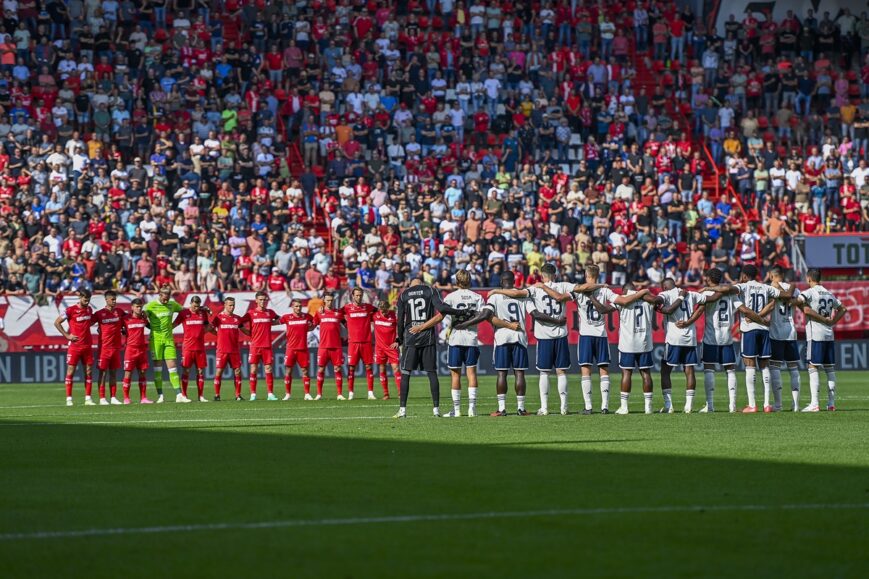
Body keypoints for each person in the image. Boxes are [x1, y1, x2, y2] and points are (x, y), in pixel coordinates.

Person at [490, 263, 572, 416]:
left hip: (516, 337)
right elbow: (534, 313)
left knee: (506, 373)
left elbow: (489, 314)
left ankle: (506, 409)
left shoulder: (530, 290)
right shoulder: (562, 286)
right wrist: (558, 320)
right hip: (529, 335)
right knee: (555, 372)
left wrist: (495, 291)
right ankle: (556, 407)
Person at [707, 264, 791, 412]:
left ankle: (752, 405)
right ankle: (766, 404)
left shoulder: (743, 286)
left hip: (749, 329)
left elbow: (725, 289)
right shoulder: (766, 287)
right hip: (764, 329)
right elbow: (786, 296)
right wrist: (779, 286)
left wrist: (706, 289)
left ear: (745, 276)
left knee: (750, 365)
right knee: (764, 366)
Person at [540, 264, 615, 414]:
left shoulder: (578, 292)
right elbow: (614, 304)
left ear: (586, 275)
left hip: (586, 335)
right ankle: (605, 406)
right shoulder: (605, 290)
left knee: (586, 371)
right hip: (601, 335)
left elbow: (560, 297)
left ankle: (588, 407)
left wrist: (542, 286)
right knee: (604, 370)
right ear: (598, 275)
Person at [692, 268, 767, 412]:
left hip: (710, 337)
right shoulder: (731, 294)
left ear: (708, 279)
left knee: (709, 370)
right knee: (730, 370)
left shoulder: (707, 293)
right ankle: (732, 406)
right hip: (726, 337)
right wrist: (761, 320)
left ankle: (710, 406)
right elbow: (744, 310)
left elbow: (699, 311)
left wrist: (689, 321)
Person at [456, 270, 529, 416]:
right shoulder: (521, 295)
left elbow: (485, 315)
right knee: (519, 373)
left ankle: (502, 409)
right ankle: (521, 408)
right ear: (513, 281)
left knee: (502, 373)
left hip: (502, 338)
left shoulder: (495, 296)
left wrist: (465, 324)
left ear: (501, 282)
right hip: (519, 336)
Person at [393, 278, 468, 418]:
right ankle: (436, 410)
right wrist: (459, 312)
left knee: (406, 373)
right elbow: (442, 308)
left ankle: (402, 410)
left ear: (410, 285)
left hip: (410, 337)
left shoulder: (403, 294)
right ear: (421, 283)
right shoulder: (429, 290)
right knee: (431, 373)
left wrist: (400, 338)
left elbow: (400, 320)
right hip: (427, 337)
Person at [586, 283, 661, 415]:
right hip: (644, 343)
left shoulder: (622, 301)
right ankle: (648, 407)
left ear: (625, 291)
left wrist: (591, 298)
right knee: (646, 374)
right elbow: (659, 301)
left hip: (627, 344)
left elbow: (603, 310)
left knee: (626, 374)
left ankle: (624, 407)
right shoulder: (647, 300)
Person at [797, 269, 848, 412]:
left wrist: (797, 303)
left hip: (816, 335)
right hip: (829, 335)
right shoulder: (828, 293)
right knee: (830, 369)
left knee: (813, 367)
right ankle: (831, 404)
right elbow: (843, 309)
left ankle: (814, 404)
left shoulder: (809, 292)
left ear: (808, 279)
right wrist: (832, 322)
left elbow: (801, 304)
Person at [657, 278, 708, 413]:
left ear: (665, 286)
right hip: (690, 338)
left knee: (665, 370)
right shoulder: (691, 294)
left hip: (674, 338)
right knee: (689, 370)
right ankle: (688, 406)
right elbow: (705, 302)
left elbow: (659, 302)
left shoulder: (666, 294)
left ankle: (669, 406)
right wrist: (691, 320)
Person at [441, 269, 486, 417]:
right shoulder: (477, 297)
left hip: (456, 338)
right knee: (471, 373)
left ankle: (458, 410)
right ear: (470, 280)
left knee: (455, 375)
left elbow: (446, 320)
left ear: (456, 281)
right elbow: (481, 315)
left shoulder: (450, 297)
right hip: (471, 337)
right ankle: (472, 409)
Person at [762, 266, 802, 412]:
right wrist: (792, 301)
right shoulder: (791, 288)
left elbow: (767, 307)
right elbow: (800, 300)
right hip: (790, 331)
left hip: (776, 332)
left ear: (771, 276)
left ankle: (778, 405)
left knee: (775, 367)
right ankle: (796, 405)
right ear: (782, 275)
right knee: (793, 368)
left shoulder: (769, 289)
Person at [143, 284, 187, 403]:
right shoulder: (151, 305)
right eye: (164, 298)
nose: (166, 300)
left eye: (168, 298)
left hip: (169, 340)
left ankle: (179, 395)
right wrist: (149, 325)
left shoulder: (172, 304)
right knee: (158, 369)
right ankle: (160, 396)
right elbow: (141, 315)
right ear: (159, 295)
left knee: (173, 368)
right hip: (156, 341)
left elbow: (185, 311)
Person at [55, 289, 95, 406]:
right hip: (75, 346)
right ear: (80, 297)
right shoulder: (70, 310)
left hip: (87, 345)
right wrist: (67, 335)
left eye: (88, 300)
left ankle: (88, 398)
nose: (87, 302)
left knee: (88, 371)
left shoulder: (89, 309)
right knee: (71, 371)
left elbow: (88, 322)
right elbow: (57, 322)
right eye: (85, 299)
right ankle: (69, 399)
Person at [173, 295, 212, 403]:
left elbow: (207, 326)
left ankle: (201, 396)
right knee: (186, 370)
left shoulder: (202, 313)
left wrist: (202, 333)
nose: (196, 308)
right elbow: (174, 325)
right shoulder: (184, 314)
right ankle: (184, 396)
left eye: (198, 306)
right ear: (191, 303)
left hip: (200, 347)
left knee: (200, 371)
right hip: (188, 347)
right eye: (194, 306)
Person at [210, 297, 250, 401]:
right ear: (225, 305)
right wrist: (218, 335)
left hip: (234, 350)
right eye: (230, 305)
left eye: (233, 305)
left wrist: (254, 334)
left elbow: (244, 330)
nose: (232, 307)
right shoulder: (218, 318)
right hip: (222, 350)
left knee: (237, 371)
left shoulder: (237, 318)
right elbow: (210, 328)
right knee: (219, 371)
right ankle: (217, 395)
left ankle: (238, 395)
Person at [341, 287, 378, 400]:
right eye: (356, 295)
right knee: (351, 368)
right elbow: (337, 314)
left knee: (368, 367)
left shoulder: (367, 307)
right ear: (352, 296)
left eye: (360, 295)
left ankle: (370, 393)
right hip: (353, 343)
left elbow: (378, 311)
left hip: (366, 342)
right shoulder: (347, 308)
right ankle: (351, 393)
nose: (359, 297)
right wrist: (346, 325)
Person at [246, 291, 282, 401]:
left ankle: (270, 394)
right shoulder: (250, 313)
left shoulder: (270, 312)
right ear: (256, 300)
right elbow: (240, 323)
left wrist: (270, 323)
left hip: (267, 345)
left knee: (268, 369)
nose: (262, 301)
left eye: (264, 299)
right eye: (260, 299)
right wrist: (248, 333)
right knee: (253, 369)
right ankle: (253, 394)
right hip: (255, 346)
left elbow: (280, 319)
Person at [92, 290, 126, 405]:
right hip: (104, 349)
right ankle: (102, 398)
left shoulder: (120, 312)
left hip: (116, 348)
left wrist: (123, 328)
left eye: (115, 299)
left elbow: (128, 320)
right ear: (106, 300)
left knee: (113, 373)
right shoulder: (99, 314)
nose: (114, 301)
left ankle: (113, 397)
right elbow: (87, 323)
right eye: (112, 299)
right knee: (103, 373)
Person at [280, 298, 315, 400]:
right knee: (288, 370)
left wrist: (310, 327)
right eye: (296, 306)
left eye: (299, 306)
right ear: (292, 307)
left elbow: (313, 325)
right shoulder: (287, 317)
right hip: (290, 348)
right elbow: (276, 322)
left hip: (303, 348)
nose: (298, 308)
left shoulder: (307, 316)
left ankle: (307, 394)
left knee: (305, 370)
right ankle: (287, 394)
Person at [314, 293, 346, 400]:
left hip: (336, 346)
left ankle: (339, 394)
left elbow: (347, 321)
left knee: (337, 369)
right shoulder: (319, 313)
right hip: (323, 346)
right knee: (321, 369)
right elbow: (312, 325)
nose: (330, 302)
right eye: (327, 300)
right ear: (324, 300)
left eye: (331, 300)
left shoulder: (338, 313)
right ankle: (319, 394)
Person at [122, 298, 152, 404]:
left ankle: (143, 398)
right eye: (137, 306)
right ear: (132, 307)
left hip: (142, 350)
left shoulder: (143, 319)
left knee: (142, 373)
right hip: (130, 349)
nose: (139, 308)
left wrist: (147, 317)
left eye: (140, 306)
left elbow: (151, 327)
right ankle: (126, 398)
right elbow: (119, 329)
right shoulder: (125, 319)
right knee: (128, 374)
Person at [372, 299, 400, 400]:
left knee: (396, 368)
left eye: (385, 311)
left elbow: (401, 328)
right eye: (381, 311)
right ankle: (386, 393)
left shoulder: (394, 316)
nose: (383, 313)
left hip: (392, 347)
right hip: (380, 348)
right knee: (382, 368)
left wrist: (398, 340)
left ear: (388, 309)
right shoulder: (375, 315)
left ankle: (400, 393)